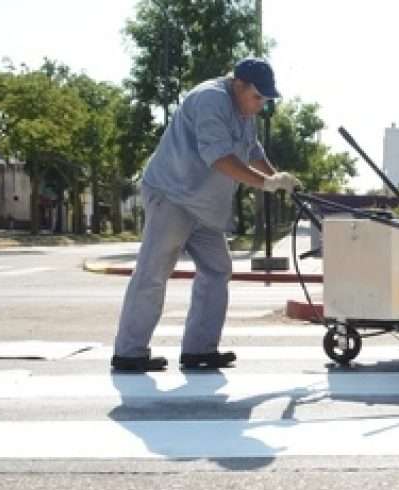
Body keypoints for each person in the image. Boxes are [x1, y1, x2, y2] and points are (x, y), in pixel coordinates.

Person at [111, 57, 299, 373]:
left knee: (217, 269)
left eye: (265, 99)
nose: (260, 104)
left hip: (204, 207)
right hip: (173, 195)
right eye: (257, 97)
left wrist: (279, 176)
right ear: (238, 85)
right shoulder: (210, 99)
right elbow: (219, 158)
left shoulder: (244, 110)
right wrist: (266, 183)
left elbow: (252, 151)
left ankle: (199, 349)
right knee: (154, 271)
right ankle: (129, 353)